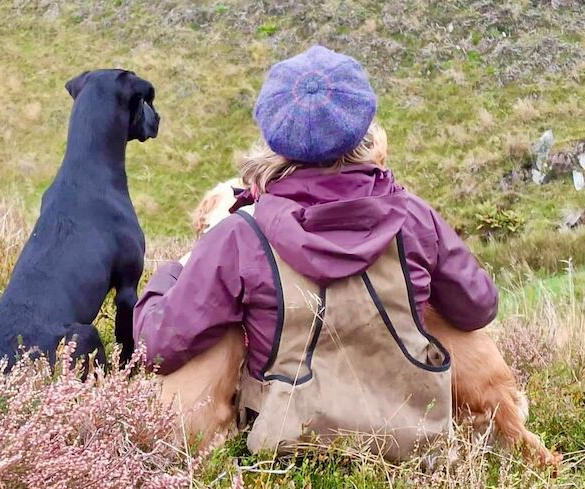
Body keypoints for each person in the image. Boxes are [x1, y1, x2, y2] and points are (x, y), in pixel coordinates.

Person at [134, 45, 498, 459]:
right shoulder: (413, 215)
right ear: (363, 128)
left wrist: (172, 272)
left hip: (288, 442)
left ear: (273, 137)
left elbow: (157, 344)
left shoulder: (239, 235)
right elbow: (478, 308)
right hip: (412, 436)